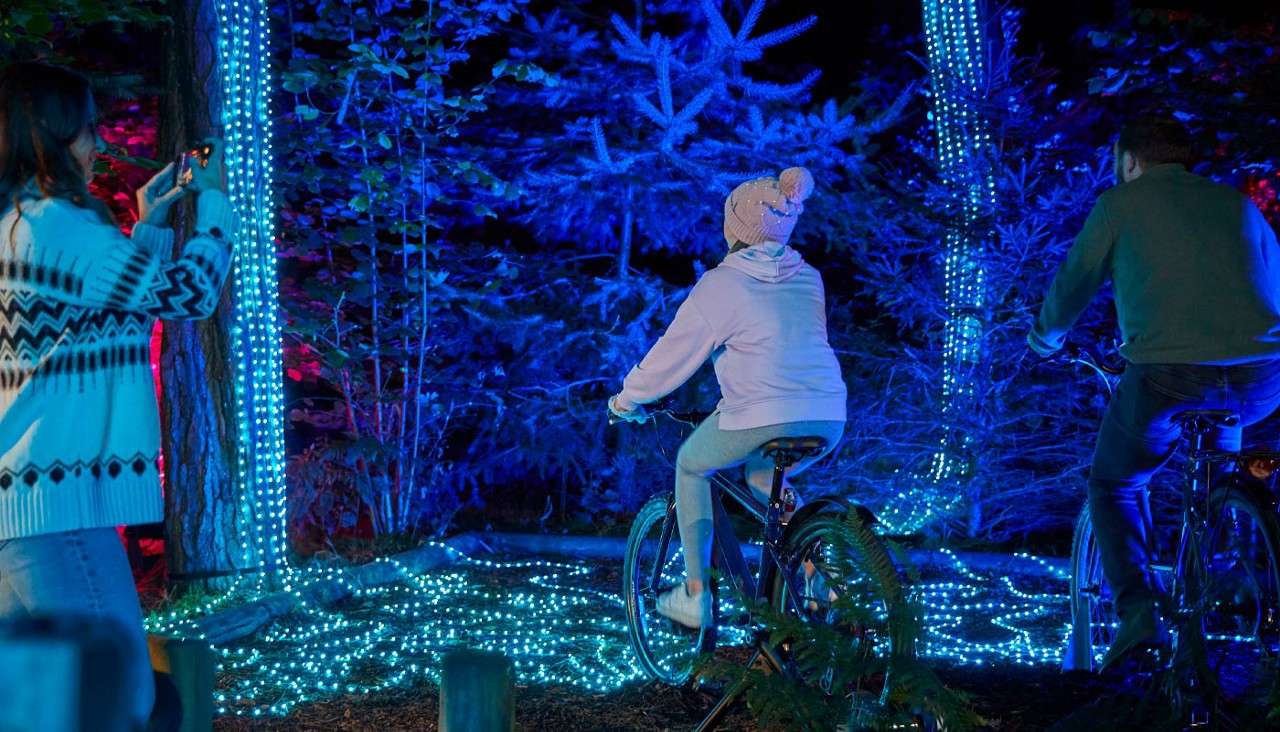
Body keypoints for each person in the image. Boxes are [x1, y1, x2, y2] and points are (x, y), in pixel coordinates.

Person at [0, 62, 236, 729]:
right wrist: (214, 208)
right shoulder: (61, 228)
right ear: (52, 134)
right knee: (121, 705)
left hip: (16, 512)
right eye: (87, 130)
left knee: (40, 712)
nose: (97, 145)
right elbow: (189, 297)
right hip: (58, 517)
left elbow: (99, 314)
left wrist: (150, 225)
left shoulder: (16, 226)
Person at [1028, 115, 1280, 669]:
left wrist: (1044, 339)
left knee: (1115, 481)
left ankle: (1141, 617)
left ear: (1130, 162)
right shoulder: (1238, 205)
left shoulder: (1122, 204)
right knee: (1217, 467)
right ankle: (1222, 565)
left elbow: (1075, 281)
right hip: (1262, 377)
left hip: (1168, 375)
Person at [608, 166, 847, 629]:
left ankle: (696, 596)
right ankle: (820, 572)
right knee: (763, 479)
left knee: (692, 464)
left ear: (733, 227)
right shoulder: (809, 277)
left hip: (763, 414)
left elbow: (671, 358)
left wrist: (627, 399)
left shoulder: (723, 284)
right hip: (827, 413)